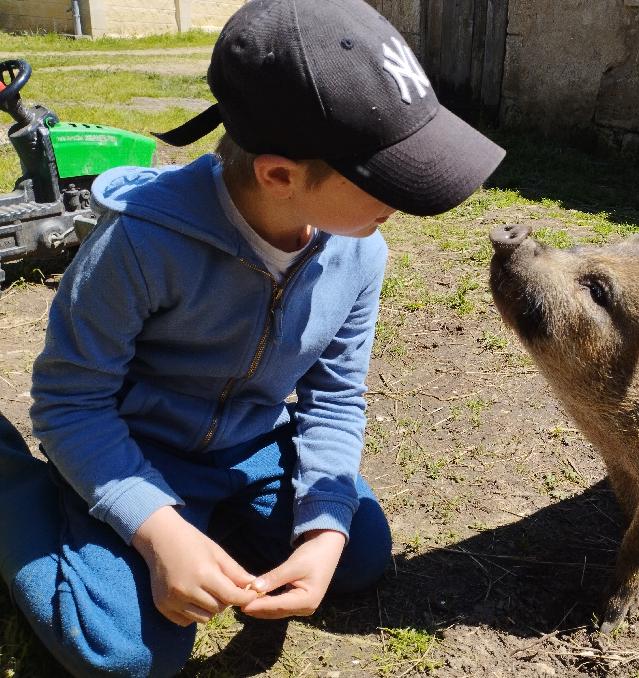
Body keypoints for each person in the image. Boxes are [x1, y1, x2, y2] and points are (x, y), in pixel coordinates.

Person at [0, 0, 505, 675]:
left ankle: (220, 520)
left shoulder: (361, 251)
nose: (405, 202)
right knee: (119, 652)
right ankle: (14, 481)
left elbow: (334, 399)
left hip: (253, 444)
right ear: (278, 174)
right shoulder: (140, 244)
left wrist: (324, 527)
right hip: (133, 449)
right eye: (387, 180)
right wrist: (158, 530)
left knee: (356, 555)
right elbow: (70, 404)